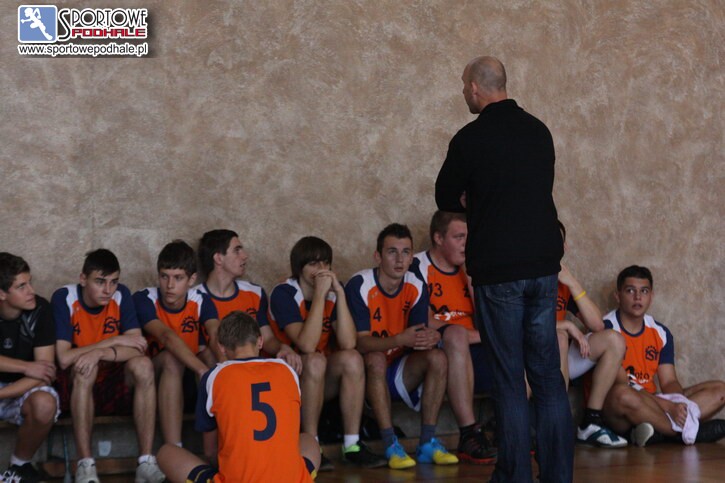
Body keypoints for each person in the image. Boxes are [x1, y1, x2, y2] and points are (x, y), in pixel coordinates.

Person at [435, 56, 573, 482]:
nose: (463, 92)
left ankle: (514, 475)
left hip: (498, 271)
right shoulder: (539, 131)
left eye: (464, 85)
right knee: (547, 377)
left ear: (476, 88)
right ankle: (558, 475)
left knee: (510, 378)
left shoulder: (470, 139)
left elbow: (445, 195)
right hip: (543, 265)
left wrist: (474, 197)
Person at [157, 310, 320, 483]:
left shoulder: (214, 376)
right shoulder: (287, 370)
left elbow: (210, 452)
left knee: (166, 452)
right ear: (260, 341)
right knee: (308, 440)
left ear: (221, 347)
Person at [345, 223, 458, 469]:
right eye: (392, 252)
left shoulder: (416, 284)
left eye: (406, 252)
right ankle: (390, 445)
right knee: (375, 358)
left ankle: (427, 443)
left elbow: (416, 337)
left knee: (438, 357)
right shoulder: (360, 284)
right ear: (378, 256)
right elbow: (359, 343)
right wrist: (399, 340)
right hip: (363, 374)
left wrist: (429, 338)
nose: (400, 259)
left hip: (398, 367)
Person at [268, 236, 386, 469]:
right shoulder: (284, 293)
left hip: (318, 378)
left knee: (352, 358)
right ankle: (312, 445)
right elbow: (307, 345)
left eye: (325, 263)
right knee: (314, 360)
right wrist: (321, 296)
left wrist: (339, 295)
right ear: (299, 268)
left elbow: (349, 342)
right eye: (313, 264)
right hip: (286, 381)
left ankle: (352, 445)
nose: (321, 270)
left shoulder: (332, 292)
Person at [52, 249, 164, 483]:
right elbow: (64, 358)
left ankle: (146, 462)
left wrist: (101, 352)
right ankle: (86, 465)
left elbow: (138, 347)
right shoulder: (65, 297)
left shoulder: (121, 295)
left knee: (144, 365)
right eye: (100, 282)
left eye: (113, 281)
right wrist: (112, 341)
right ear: (83, 279)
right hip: (76, 383)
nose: (108, 289)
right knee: (86, 368)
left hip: (112, 380)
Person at [602, 265, 725, 446]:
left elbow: (668, 382)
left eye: (644, 291)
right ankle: (682, 434)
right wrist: (668, 407)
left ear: (651, 296)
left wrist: (679, 405)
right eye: (630, 291)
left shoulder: (661, 332)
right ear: (618, 296)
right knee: (622, 394)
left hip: (654, 403)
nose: (638, 297)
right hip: (620, 407)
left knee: (720, 390)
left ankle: (658, 430)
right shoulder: (606, 328)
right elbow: (623, 385)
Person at [410, 211, 496, 464]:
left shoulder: (473, 267)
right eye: (459, 237)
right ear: (438, 238)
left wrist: (472, 278)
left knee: (518, 346)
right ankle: (468, 434)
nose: (466, 244)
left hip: (474, 346)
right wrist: (482, 336)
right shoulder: (417, 266)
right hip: (439, 348)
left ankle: (506, 427)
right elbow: (423, 321)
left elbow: (490, 320)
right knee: (456, 335)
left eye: (469, 237)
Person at [133, 240, 218, 446]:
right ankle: (174, 448)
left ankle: (217, 447)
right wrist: (202, 370)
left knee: (210, 355)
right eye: (165, 276)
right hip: (150, 378)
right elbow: (166, 336)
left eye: (178, 278)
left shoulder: (201, 300)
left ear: (192, 279)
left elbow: (217, 335)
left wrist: (227, 369)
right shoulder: (144, 299)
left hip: (187, 377)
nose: (170, 285)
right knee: (173, 359)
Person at [554, 222, 627, 448]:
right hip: (529, 353)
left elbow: (597, 325)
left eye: (556, 242)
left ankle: (591, 422)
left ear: (564, 247)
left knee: (613, 339)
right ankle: (556, 423)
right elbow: (519, 325)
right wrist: (565, 325)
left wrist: (572, 283)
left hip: (559, 356)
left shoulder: (563, 283)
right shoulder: (524, 277)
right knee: (560, 337)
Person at [194, 230, 301, 371]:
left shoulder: (254, 293)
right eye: (237, 250)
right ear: (218, 258)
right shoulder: (194, 298)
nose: (245, 256)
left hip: (253, 368)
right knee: (209, 354)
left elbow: (267, 339)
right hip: (215, 370)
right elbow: (204, 347)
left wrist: (282, 347)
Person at [0, 253, 59, 483]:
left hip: (20, 389)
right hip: (17, 379)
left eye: (30, 283)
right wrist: (26, 366)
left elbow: (45, 372)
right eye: (21, 286)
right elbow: (34, 369)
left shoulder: (40, 309)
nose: (31, 291)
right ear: (2, 294)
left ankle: (18, 467)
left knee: (45, 403)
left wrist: (3, 393)